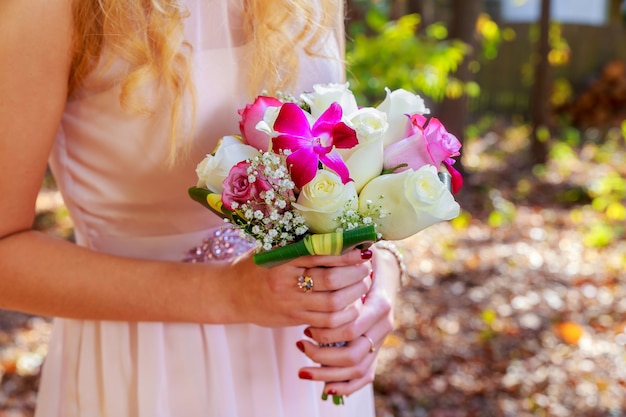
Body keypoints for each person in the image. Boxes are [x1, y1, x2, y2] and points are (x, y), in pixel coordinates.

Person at [0, 1, 403, 416]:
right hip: (146, 369)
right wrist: (228, 294)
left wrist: (379, 269)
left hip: (310, 364)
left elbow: (332, 159)